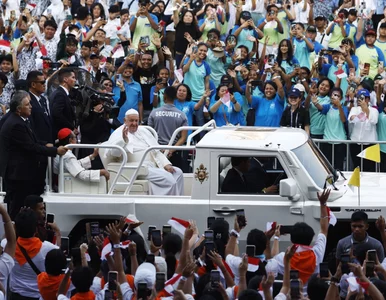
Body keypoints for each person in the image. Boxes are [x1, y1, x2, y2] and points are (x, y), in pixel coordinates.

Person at [0, 91, 67, 219]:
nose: (31, 106)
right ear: (19, 109)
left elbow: (32, 141)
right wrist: (55, 151)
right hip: (17, 175)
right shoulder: (16, 124)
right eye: (27, 104)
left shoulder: (21, 120)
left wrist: (46, 144)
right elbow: (31, 147)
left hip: (22, 173)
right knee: (17, 208)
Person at [106, 109, 184, 196]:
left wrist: (166, 164)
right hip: (137, 168)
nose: (134, 124)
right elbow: (113, 153)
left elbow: (156, 151)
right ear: (125, 120)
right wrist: (123, 140)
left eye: (136, 121)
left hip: (152, 165)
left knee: (178, 173)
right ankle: (170, 205)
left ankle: (178, 200)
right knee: (169, 178)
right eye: (131, 120)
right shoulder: (118, 133)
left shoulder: (143, 131)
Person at [9, 209, 59, 299]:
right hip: (37, 296)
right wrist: (58, 233)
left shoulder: (8, 246)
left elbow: (8, 238)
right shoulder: (47, 248)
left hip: (15, 296)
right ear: (36, 229)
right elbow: (59, 255)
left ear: (15, 228)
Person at [148, 86, 188, 172]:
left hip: (156, 153)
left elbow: (149, 134)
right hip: (174, 153)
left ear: (164, 96)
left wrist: (160, 149)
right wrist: (171, 150)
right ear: (176, 97)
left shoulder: (154, 113)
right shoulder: (182, 115)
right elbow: (183, 137)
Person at [348, 89, 379, 171]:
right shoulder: (354, 109)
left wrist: (366, 110)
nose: (360, 100)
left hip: (369, 144)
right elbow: (351, 118)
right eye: (358, 97)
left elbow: (374, 120)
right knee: (356, 168)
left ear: (368, 99)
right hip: (355, 143)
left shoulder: (374, 110)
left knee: (369, 169)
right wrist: (360, 115)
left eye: (362, 98)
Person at [49, 68, 77, 137]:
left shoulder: (61, 93)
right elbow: (57, 114)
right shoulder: (60, 94)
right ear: (65, 79)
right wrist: (71, 128)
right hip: (62, 135)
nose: (75, 80)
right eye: (73, 77)